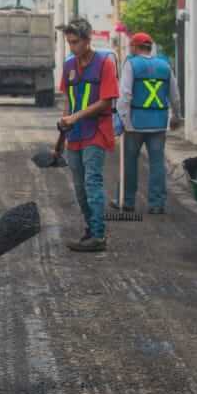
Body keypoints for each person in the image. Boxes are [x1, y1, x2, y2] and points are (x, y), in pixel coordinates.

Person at [57, 17, 119, 253]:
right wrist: (65, 123)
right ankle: (91, 228)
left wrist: (76, 117)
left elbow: (105, 102)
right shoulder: (69, 66)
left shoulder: (105, 64)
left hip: (97, 131)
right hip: (75, 134)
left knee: (93, 182)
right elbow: (68, 99)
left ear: (87, 39)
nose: (72, 47)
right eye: (69, 43)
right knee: (79, 186)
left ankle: (98, 234)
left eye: (75, 42)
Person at [118, 32, 180, 214]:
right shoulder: (165, 65)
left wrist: (123, 119)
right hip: (159, 123)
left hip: (135, 122)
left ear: (136, 47)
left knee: (129, 162)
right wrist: (176, 116)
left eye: (131, 46)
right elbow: (175, 96)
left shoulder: (131, 64)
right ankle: (156, 204)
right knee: (157, 163)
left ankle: (128, 201)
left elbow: (125, 95)